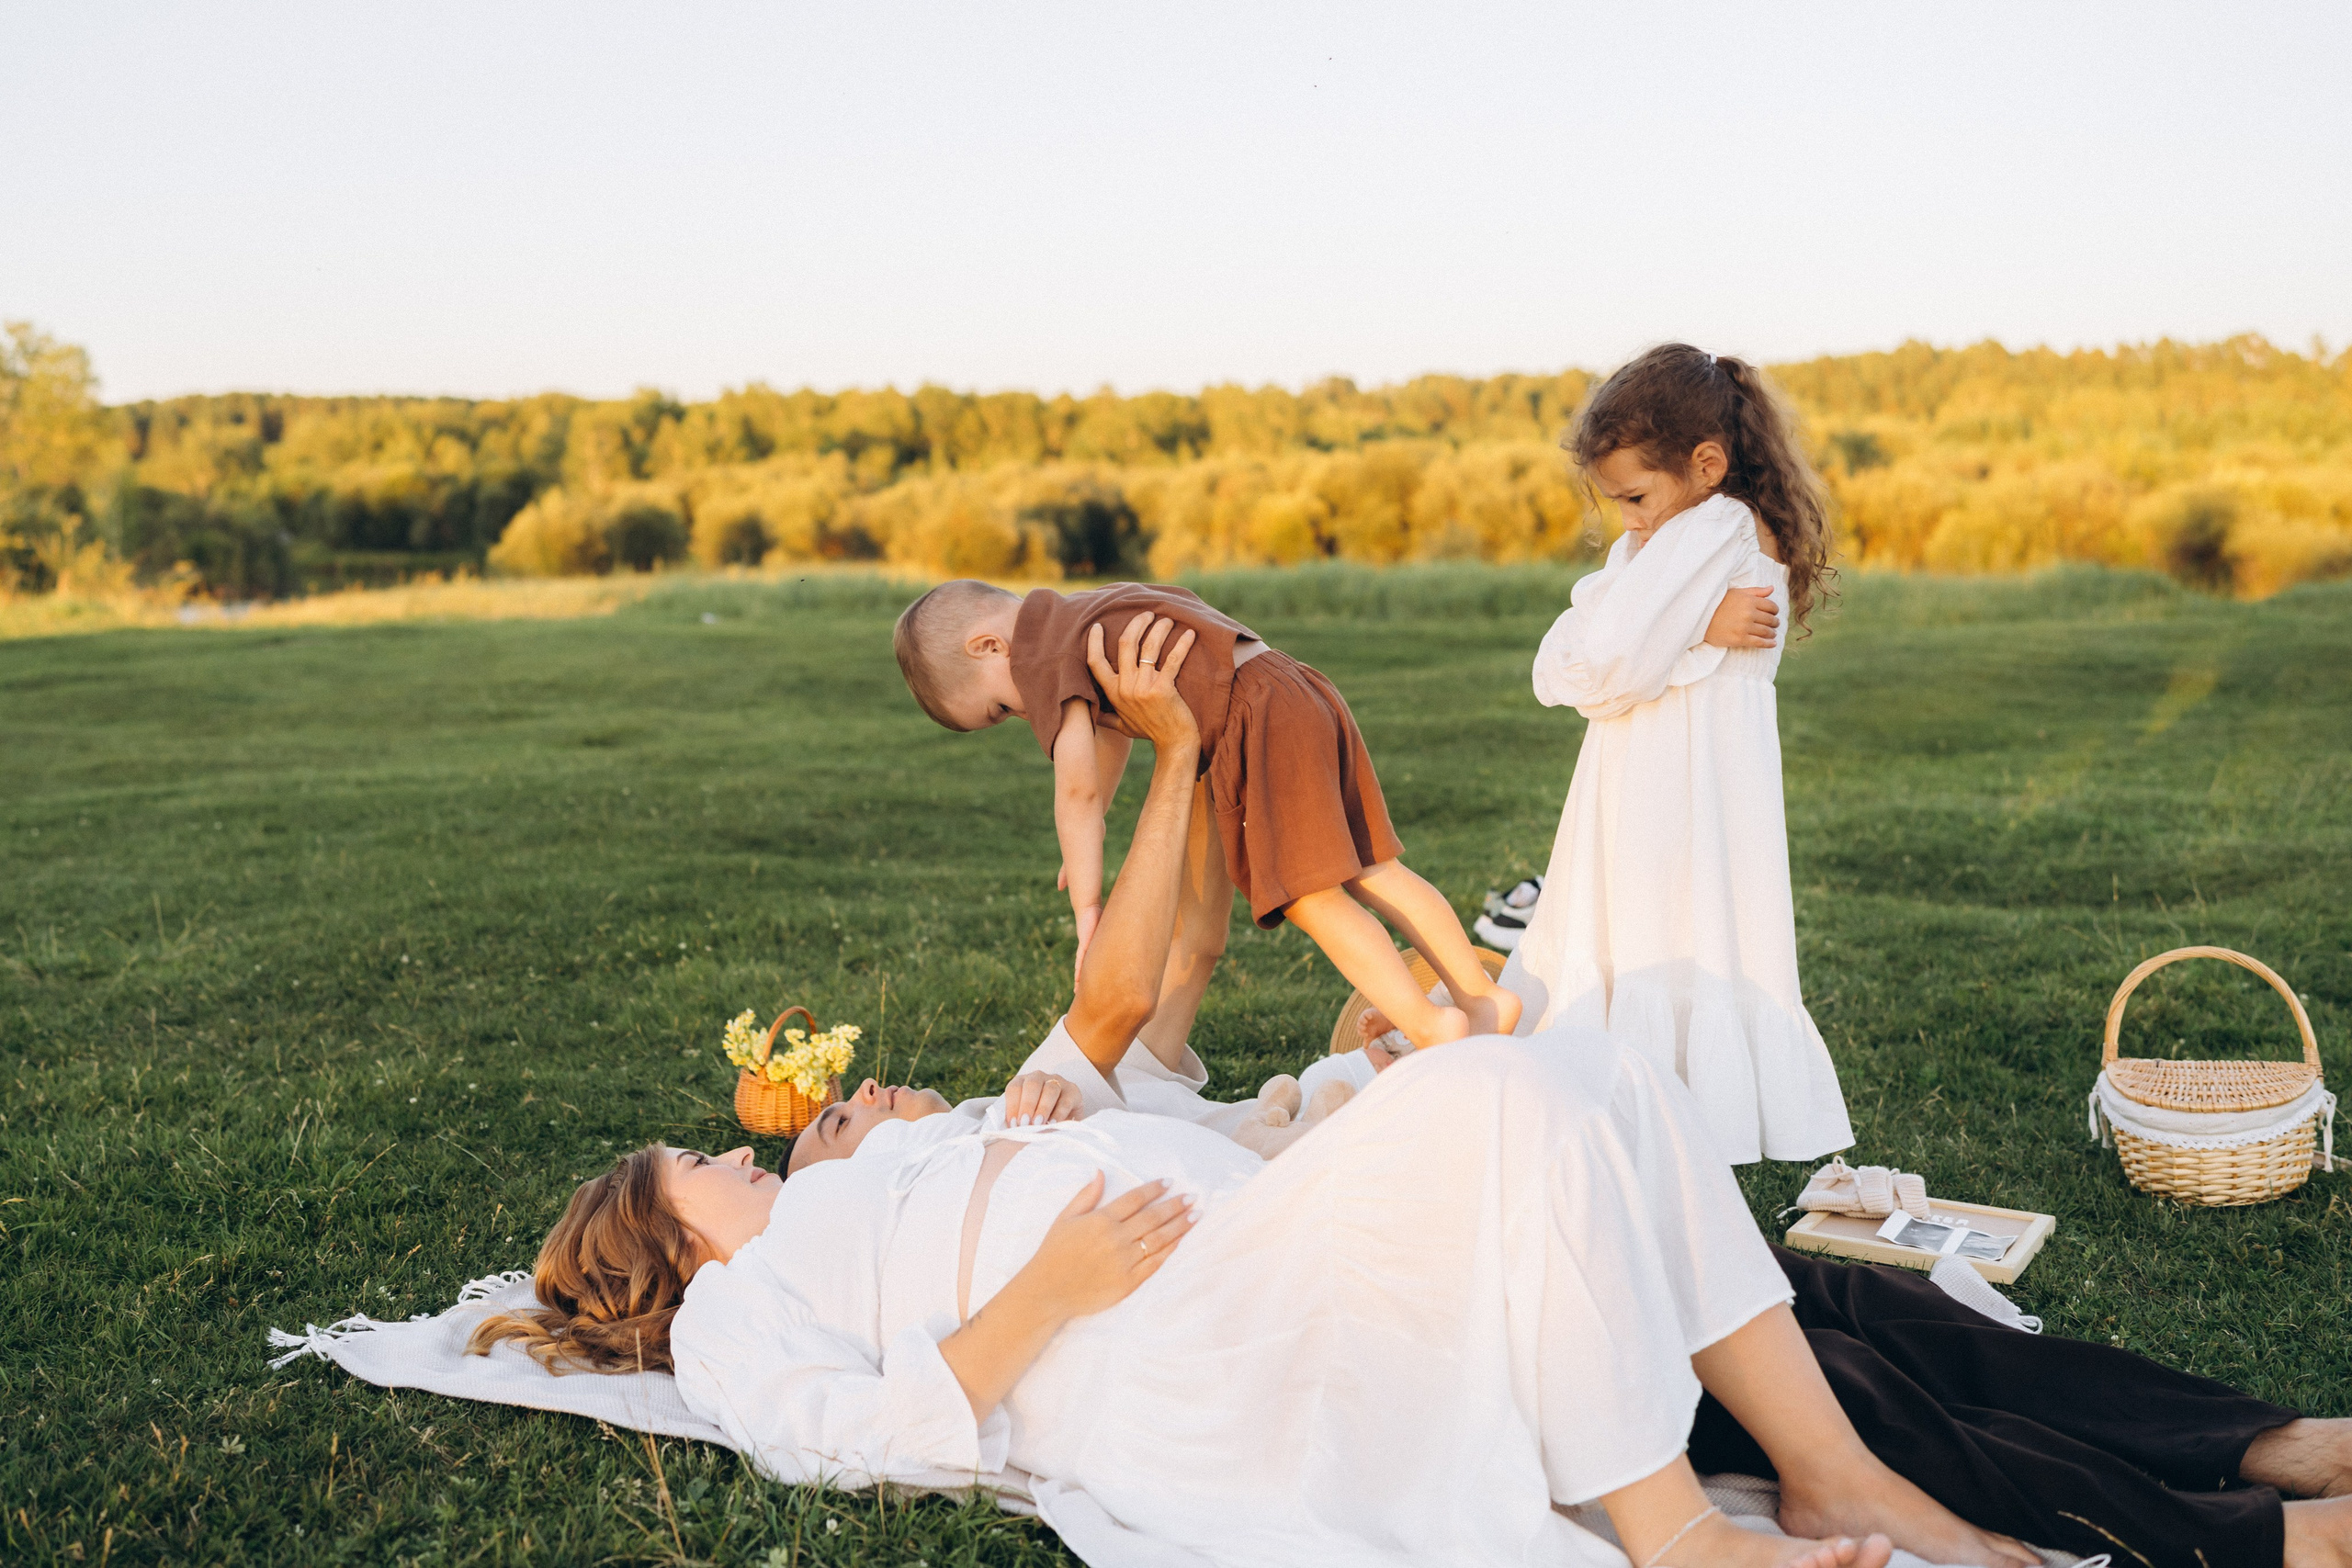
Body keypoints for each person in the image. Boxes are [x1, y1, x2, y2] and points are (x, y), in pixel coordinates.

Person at [481, 616, 2007, 1568]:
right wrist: (1047, 1285)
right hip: (1159, 1331)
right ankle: (1673, 1532)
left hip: (1256, 1239)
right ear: (663, 1244)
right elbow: (838, 1435)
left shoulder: (962, 1133)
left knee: (1588, 1061)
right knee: (1510, 1099)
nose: (750, 1141)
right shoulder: (752, 1304)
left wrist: (1191, 750)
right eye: (699, 1153)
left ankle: (1827, 1470)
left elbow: (1141, 984)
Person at [891, 575, 1521, 1050]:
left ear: (987, 645)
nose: (1020, 715)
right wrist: (1099, 819)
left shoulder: (1039, 655)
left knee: (1310, 897)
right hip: (1293, 685)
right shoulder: (1085, 613)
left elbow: (1074, 789)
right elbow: (1107, 743)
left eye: (999, 710)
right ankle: (1482, 996)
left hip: (1254, 713)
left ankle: (1431, 1024)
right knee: (1370, 868)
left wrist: (1088, 908)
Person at [1498, 343, 1853, 1165]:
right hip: (1682, 772)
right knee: (1689, 926)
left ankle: (1648, 1107)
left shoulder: (1714, 525)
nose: (1626, 518)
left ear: (1706, 464)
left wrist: (1655, 641)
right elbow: (1561, 664)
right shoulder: (1669, 538)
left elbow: (1604, 661)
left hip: (1672, 777)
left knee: (1660, 925)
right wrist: (1690, 629)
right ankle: (1678, 1108)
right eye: (1614, 500)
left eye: (1635, 495)